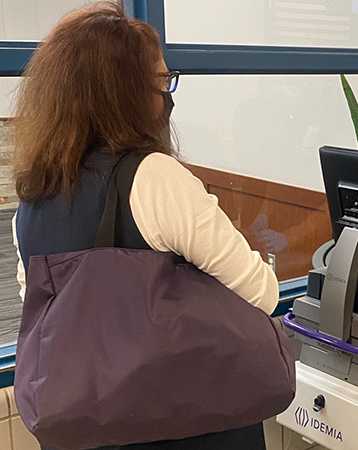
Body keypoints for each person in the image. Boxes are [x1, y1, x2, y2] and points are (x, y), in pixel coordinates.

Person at [10, 3, 278, 449]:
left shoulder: (32, 199)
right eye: (161, 82)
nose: (167, 96)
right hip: (184, 424)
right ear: (124, 92)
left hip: (88, 429)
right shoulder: (152, 177)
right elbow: (262, 293)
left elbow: (43, 312)